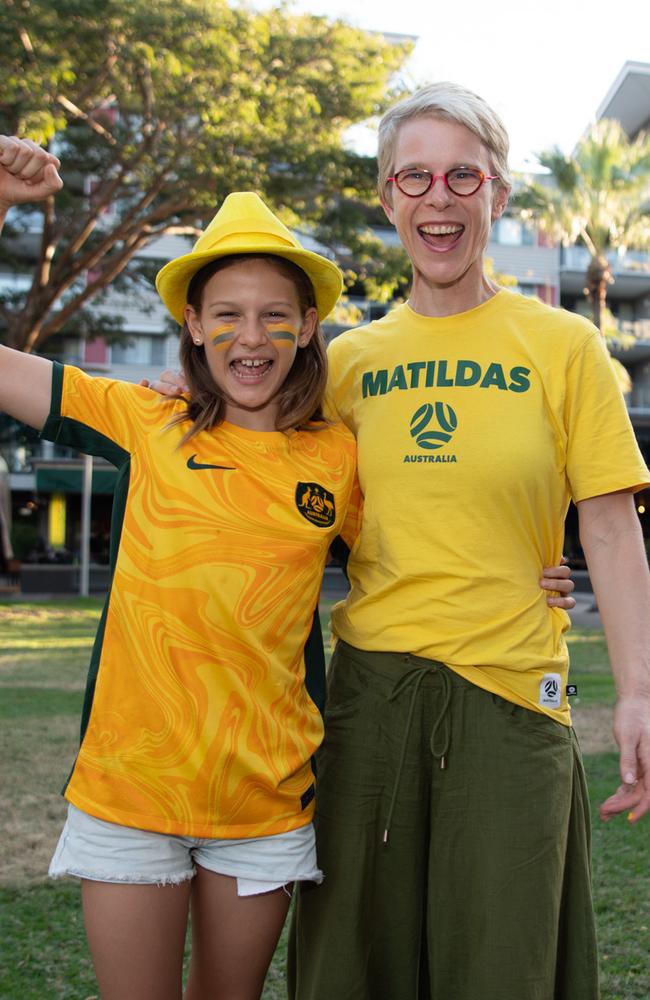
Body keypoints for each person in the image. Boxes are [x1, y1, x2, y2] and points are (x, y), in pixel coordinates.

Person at [284, 82, 650, 1000]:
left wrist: (640, 693)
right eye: (414, 176)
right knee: (352, 967)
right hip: (370, 698)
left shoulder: (567, 347)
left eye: (462, 175)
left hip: (515, 695)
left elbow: (608, 526)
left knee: (504, 967)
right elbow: (283, 511)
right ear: (386, 197)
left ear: (499, 193)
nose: (437, 197)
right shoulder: (346, 364)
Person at [0, 134, 362, 1000]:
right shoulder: (140, 419)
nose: (252, 335)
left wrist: (530, 577)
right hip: (132, 790)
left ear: (308, 326)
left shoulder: (342, 458)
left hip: (265, 803)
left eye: (277, 313)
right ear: (192, 326)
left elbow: (423, 552)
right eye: (226, 314)